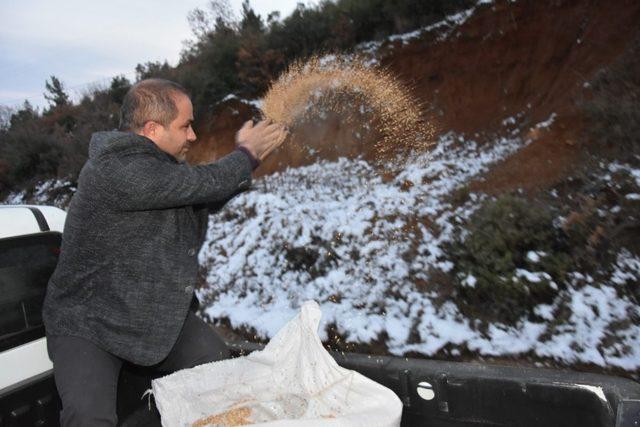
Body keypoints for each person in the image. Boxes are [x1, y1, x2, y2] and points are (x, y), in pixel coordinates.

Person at [42, 78, 287, 426]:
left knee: (214, 364)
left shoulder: (160, 170)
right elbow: (196, 185)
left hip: (147, 311)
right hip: (88, 321)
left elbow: (200, 193)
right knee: (88, 416)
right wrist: (245, 155)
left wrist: (248, 160)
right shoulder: (113, 170)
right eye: (185, 126)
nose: (193, 136)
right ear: (153, 129)